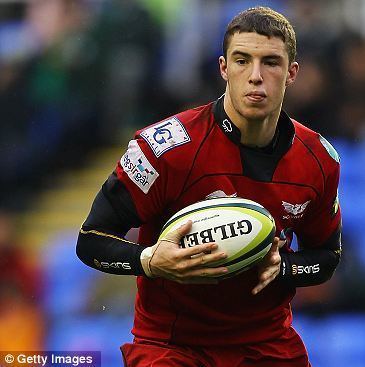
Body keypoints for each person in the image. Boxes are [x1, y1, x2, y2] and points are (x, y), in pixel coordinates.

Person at [76, 6, 342, 367]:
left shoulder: (320, 161)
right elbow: (90, 239)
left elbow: (327, 256)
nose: (255, 76)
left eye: (271, 63)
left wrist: (284, 268)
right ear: (223, 68)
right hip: (171, 347)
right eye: (242, 60)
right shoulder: (165, 149)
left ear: (292, 72)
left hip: (267, 346)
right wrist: (149, 261)